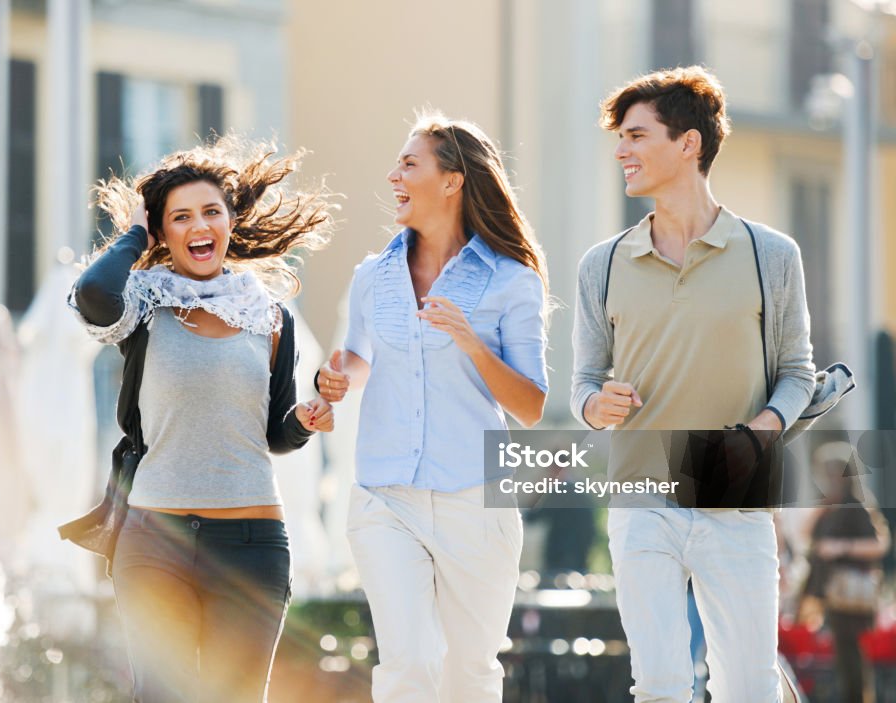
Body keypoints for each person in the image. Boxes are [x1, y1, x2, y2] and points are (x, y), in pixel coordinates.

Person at [571, 66, 848, 702]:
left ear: (689, 143)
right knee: (662, 685)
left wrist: (766, 426)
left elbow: (797, 371)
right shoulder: (603, 263)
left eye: (638, 136)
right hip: (641, 495)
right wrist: (593, 403)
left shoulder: (769, 253)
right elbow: (583, 381)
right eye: (621, 138)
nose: (622, 151)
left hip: (737, 493)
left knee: (748, 687)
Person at [59, 137, 335, 702]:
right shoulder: (143, 306)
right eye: (180, 217)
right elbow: (92, 291)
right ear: (163, 233)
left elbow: (275, 435)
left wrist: (305, 420)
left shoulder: (269, 315)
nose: (199, 225)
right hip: (154, 542)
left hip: (253, 545)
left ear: (230, 220)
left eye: (211, 211)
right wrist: (136, 233)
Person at [317, 111, 550, 703]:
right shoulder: (372, 276)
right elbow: (360, 358)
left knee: (469, 674)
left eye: (409, 163)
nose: (393, 174)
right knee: (409, 665)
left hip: (474, 502)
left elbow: (531, 406)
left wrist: (472, 341)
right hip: (384, 496)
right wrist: (334, 380)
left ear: (452, 181)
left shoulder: (511, 279)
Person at [800, 442, 891, 703]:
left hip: (850, 593)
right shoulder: (831, 506)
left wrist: (840, 547)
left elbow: (878, 544)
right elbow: (807, 538)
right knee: (842, 652)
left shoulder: (856, 506)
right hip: (832, 593)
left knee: (851, 652)